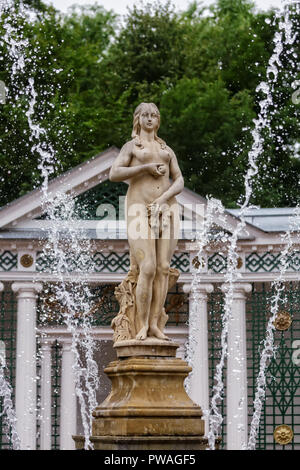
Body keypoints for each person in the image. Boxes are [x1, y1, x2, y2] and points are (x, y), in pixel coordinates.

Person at [109, 102, 184, 340]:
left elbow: (179, 180)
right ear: (138, 119)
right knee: (148, 267)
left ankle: (154, 325)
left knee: (163, 268)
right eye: (145, 115)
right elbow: (114, 174)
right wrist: (145, 168)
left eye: (154, 115)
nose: (150, 119)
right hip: (139, 208)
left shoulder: (166, 149)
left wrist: (164, 198)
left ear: (158, 120)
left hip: (167, 207)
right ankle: (140, 324)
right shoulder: (132, 146)